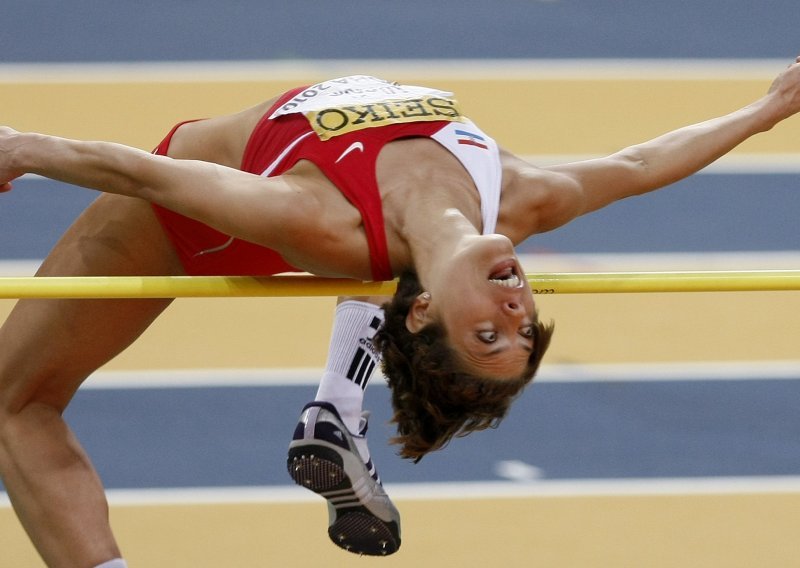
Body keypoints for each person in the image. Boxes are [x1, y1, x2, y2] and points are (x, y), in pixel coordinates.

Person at [1, 58, 800, 567]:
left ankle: (332, 409)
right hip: (367, 244)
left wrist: (24, 146)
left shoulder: (323, 225)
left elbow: (149, 175)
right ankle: (335, 407)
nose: (515, 306)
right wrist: (766, 110)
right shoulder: (521, 198)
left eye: (489, 333)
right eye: (523, 326)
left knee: (13, 400)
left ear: (419, 316)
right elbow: (639, 163)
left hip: (181, 222)